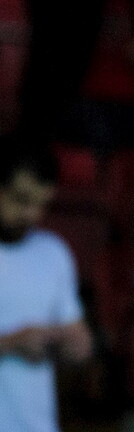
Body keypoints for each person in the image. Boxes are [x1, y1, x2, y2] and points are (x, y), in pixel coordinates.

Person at [0, 144, 94, 432]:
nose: (31, 214)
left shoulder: (54, 252)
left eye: (41, 204)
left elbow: (79, 341)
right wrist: (11, 343)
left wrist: (73, 345)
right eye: (21, 199)